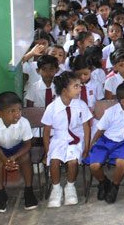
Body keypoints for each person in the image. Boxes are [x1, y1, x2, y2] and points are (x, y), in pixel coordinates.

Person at [86, 81, 124, 205]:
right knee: (94, 166)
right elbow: (100, 130)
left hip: (122, 143)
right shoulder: (111, 112)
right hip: (105, 141)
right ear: (123, 102)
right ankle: (103, 182)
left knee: (121, 163)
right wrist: (92, 144)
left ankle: (114, 186)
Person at [42, 71, 92, 208]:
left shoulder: (81, 104)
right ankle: (56, 188)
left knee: (72, 161)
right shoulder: (52, 108)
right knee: (54, 161)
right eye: (76, 86)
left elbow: (86, 127)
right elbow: (46, 132)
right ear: (64, 90)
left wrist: (87, 148)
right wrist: (47, 151)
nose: (80, 89)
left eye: (80, 86)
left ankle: (70, 187)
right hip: (59, 138)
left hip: (76, 138)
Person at [0, 91, 38, 213]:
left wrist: (14, 157)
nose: (17, 114)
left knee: (25, 158)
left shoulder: (24, 123)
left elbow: (27, 144)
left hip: (18, 149)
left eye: (19, 110)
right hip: (1, 150)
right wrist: (5, 160)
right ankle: (1, 194)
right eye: (12, 111)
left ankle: (29, 190)